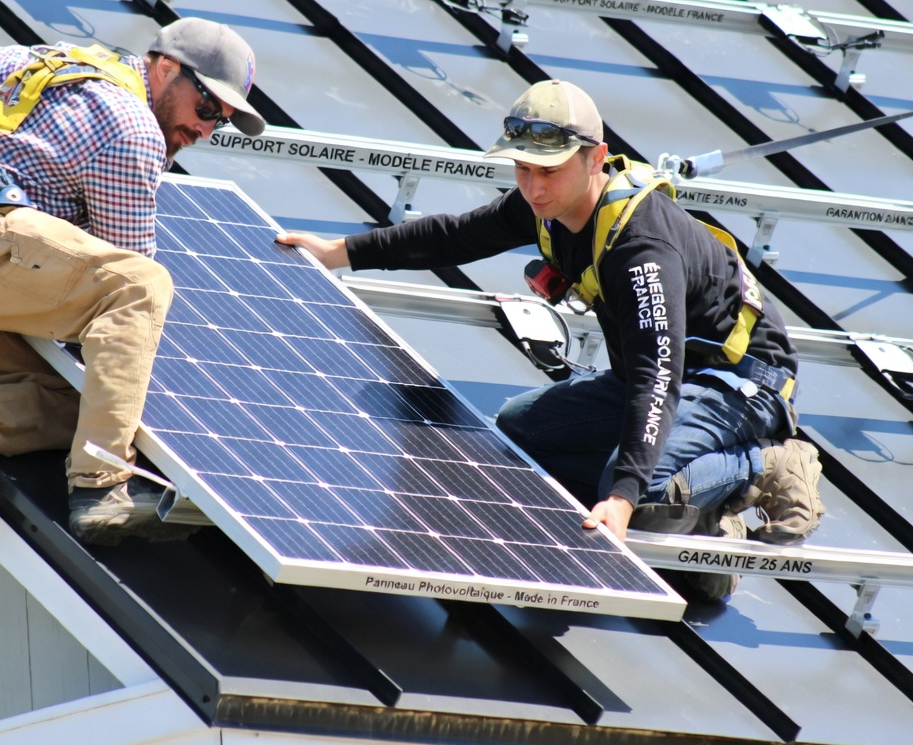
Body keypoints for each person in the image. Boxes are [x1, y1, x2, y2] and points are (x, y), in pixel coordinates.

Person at [278, 79, 824, 601]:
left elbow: (659, 378)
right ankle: (703, 524)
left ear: (595, 157)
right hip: (660, 374)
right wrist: (340, 252)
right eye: (522, 168)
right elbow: (453, 235)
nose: (534, 186)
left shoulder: (642, 248)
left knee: (633, 492)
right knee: (522, 431)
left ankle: (764, 464)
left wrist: (622, 492)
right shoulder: (548, 208)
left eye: (550, 171)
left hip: (740, 383)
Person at [0, 17, 265, 542]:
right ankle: (101, 488)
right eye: (208, 108)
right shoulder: (132, 130)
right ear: (166, 68)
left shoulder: (52, 63)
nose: (206, 129)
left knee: (92, 399)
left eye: (223, 121)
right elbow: (127, 270)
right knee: (142, 287)